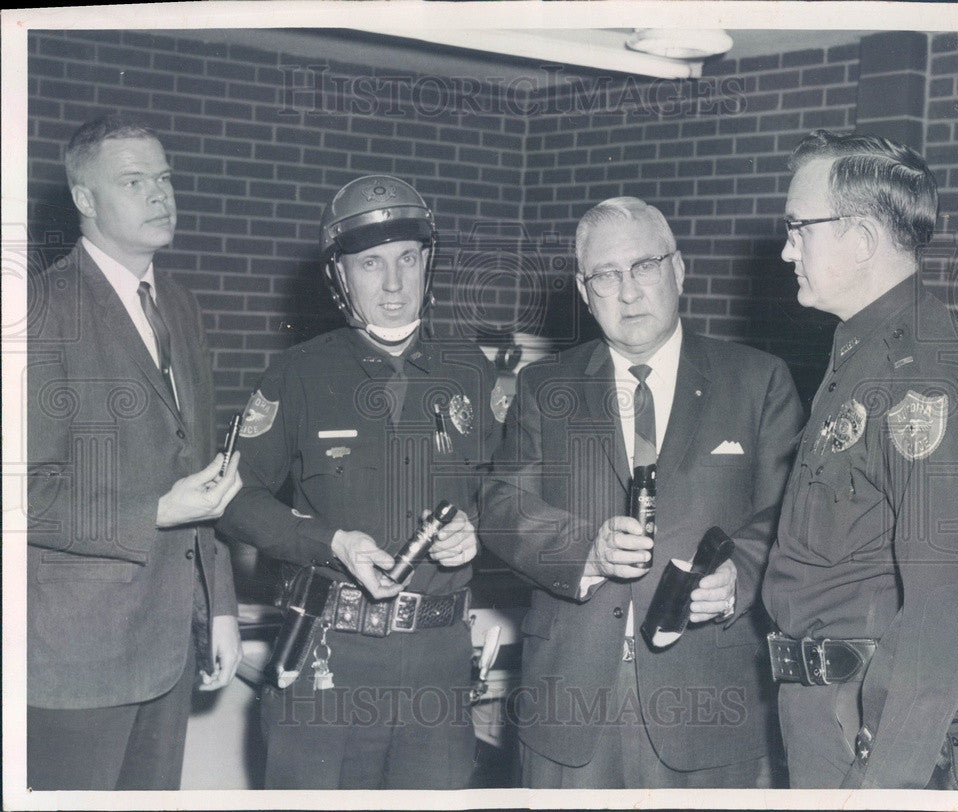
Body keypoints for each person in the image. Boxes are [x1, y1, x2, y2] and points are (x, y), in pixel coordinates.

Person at [479, 197, 803, 788]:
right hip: (570, 705)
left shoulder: (758, 382)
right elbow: (502, 506)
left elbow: (787, 516)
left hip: (710, 705)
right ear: (583, 290)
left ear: (678, 270)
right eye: (605, 275)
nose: (627, 292)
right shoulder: (543, 387)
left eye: (644, 267)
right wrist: (586, 550)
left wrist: (742, 576)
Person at [216, 175, 503, 789]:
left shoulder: (471, 372)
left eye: (407, 259)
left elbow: (506, 490)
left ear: (428, 262)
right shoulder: (298, 374)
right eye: (371, 264)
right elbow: (234, 501)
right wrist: (331, 543)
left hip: (439, 664)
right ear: (341, 276)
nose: (394, 284)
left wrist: (479, 528)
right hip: (331, 658)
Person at [26, 114, 243, 791]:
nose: (160, 194)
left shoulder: (179, 306)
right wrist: (155, 509)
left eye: (164, 177)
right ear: (85, 200)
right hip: (76, 659)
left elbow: (198, 472)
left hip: (170, 644)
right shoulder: (39, 308)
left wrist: (223, 607)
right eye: (133, 181)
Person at [761, 130, 958, 789]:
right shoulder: (860, 350)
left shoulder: (922, 374)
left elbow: (944, 606)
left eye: (798, 229)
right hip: (822, 714)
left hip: (868, 735)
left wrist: (885, 782)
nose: (785, 249)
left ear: (859, 239)